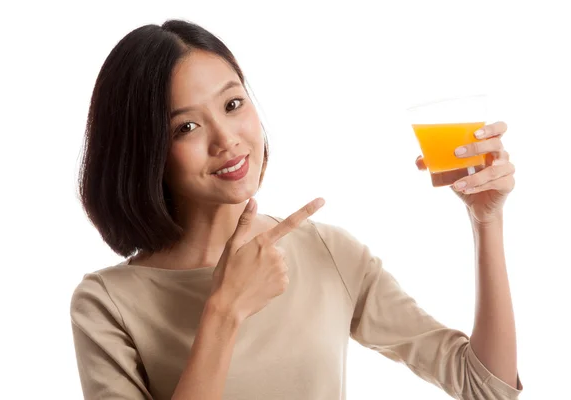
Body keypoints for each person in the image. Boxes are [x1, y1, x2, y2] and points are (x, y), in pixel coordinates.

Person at [70, 19, 523, 400]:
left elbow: (486, 388)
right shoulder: (107, 305)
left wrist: (487, 220)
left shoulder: (328, 252)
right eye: (186, 126)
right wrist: (224, 311)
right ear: (143, 150)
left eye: (233, 104)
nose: (227, 139)